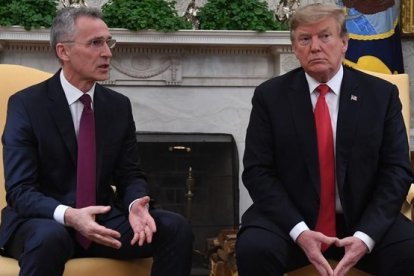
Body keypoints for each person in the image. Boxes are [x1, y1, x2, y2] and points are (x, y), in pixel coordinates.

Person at [0, 6, 193, 276]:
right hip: (43, 220)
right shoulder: (27, 105)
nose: (107, 52)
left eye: (108, 42)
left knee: (175, 228)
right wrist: (70, 215)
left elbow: (130, 174)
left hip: (103, 220)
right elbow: (20, 191)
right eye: (95, 43)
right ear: (63, 51)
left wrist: (136, 203)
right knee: (49, 239)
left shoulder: (117, 106)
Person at [236, 3, 414, 276]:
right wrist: (300, 232)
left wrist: (366, 236)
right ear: (295, 48)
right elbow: (258, 172)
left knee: (408, 250)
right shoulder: (270, 97)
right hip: (293, 221)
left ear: (344, 42)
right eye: (305, 39)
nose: (315, 47)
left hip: (362, 219)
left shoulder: (381, 96)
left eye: (325, 36)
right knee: (255, 248)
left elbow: (397, 171)